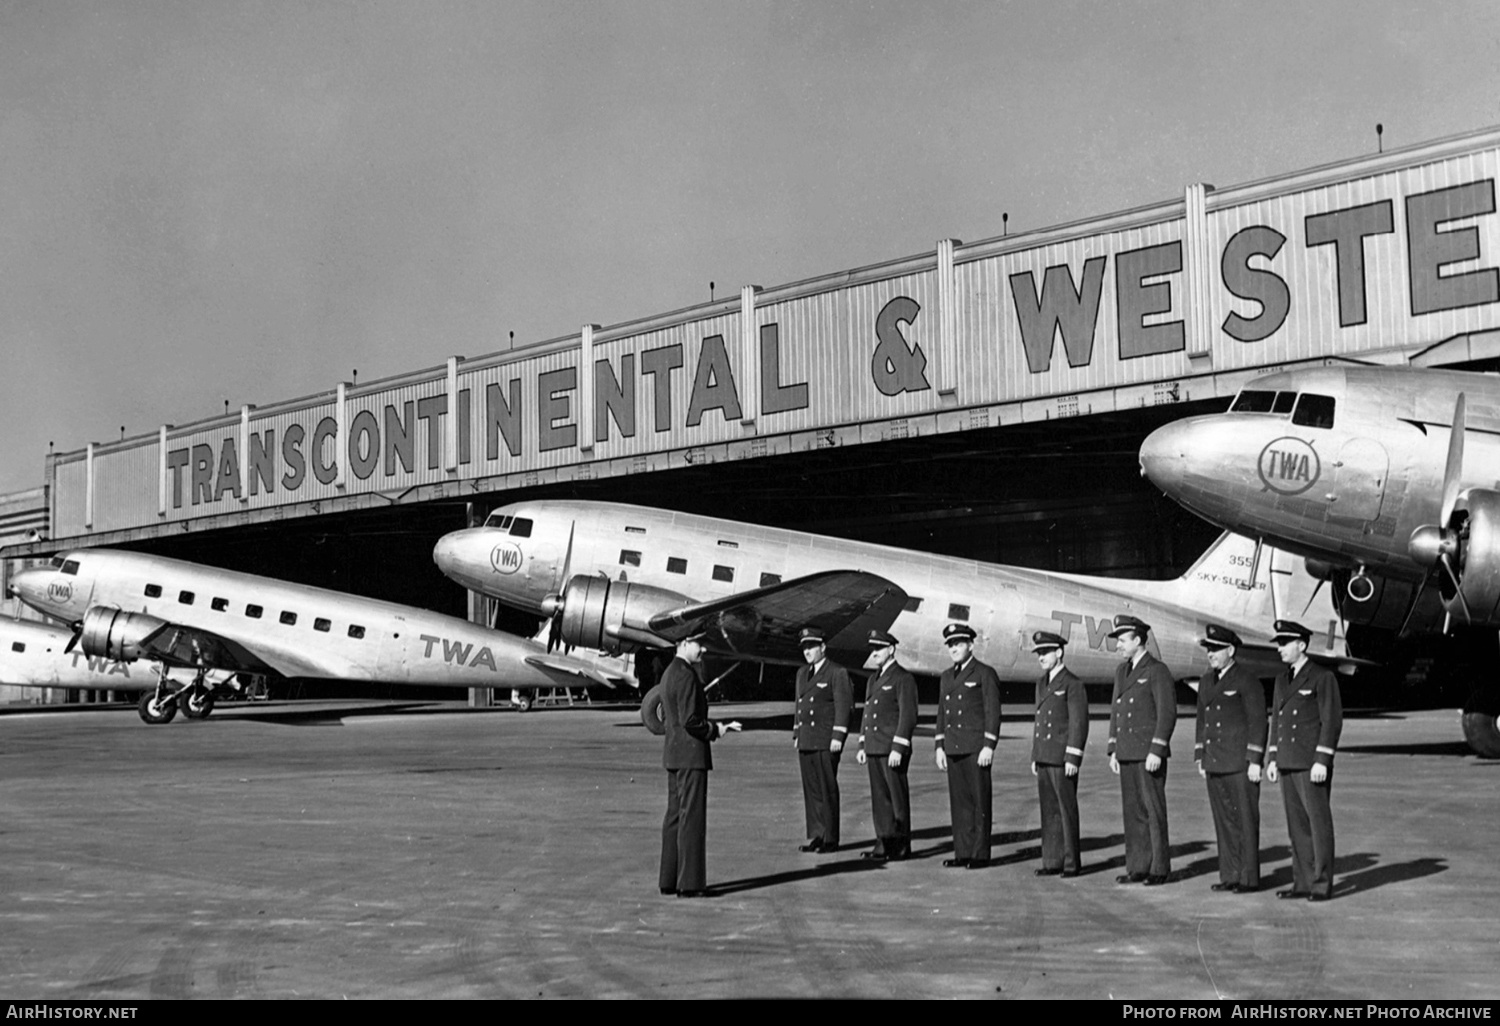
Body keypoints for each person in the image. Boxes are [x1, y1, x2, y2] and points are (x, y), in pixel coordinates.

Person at [1265, 619, 1343, 902]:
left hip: (1311, 764)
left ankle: (1321, 884)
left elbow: (1331, 721)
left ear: (1302, 644)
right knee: (1296, 827)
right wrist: (1273, 758)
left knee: (1317, 825)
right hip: (1287, 760)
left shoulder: (1322, 677)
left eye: (1285, 644)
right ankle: (1302, 882)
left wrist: (1322, 759)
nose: (1280, 649)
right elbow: (1277, 722)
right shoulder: (1281, 680)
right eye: (1279, 644)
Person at [658, 631, 741, 897]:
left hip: (674, 754)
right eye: (698, 644)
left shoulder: (669, 672)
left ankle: (668, 880)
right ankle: (690, 884)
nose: (702, 650)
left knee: (674, 817)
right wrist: (716, 729)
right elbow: (691, 721)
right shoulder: (686, 675)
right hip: (691, 756)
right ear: (683, 643)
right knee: (691, 819)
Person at [1193, 623, 1267, 894]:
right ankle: (1230, 875)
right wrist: (1200, 754)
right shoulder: (1205, 681)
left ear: (1231, 650)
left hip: (1239, 765)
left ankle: (1248, 878)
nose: (1210, 654)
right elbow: (1202, 719)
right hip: (1215, 762)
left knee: (1245, 821)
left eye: (1215, 649)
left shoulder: (1246, 680)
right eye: (1208, 649)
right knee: (1223, 821)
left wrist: (1255, 760)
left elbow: (1258, 722)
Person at [1106, 614, 1176, 886]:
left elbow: (1167, 713)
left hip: (1148, 755)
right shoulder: (1121, 672)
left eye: (1122, 640)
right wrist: (1113, 748)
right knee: (1133, 812)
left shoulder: (1156, 670)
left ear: (1138, 639)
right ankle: (1138, 866)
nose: (1118, 646)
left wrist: (1157, 750)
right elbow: (1116, 710)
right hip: (1126, 753)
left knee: (1153, 811)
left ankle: (1159, 868)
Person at [934, 622, 1001, 869]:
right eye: (950, 644)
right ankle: (962, 851)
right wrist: (939, 745)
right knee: (960, 803)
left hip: (975, 748)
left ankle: (980, 854)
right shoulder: (946, 676)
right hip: (953, 747)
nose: (954, 648)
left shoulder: (984, 673)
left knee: (979, 802)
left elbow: (992, 711)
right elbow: (942, 713)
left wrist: (989, 745)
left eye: (958, 644)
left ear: (970, 645)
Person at [856, 628, 919, 862]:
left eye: (879, 648)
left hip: (891, 748)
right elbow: (867, 713)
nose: (874, 653)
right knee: (880, 799)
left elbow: (908, 716)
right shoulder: (873, 679)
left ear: (891, 650)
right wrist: (862, 744)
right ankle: (883, 843)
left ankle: (901, 846)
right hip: (874, 746)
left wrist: (898, 747)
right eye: (872, 649)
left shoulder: (903, 678)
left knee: (897, 798)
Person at [1030, 630, 1088, 878]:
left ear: (1059, 652)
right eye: (1039, 653)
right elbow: (1039, 721)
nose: (1041, 657)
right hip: (1045, 756)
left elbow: (1078, 722)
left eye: (1045, 652)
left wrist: (1073, 756)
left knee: (1065, 811)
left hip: (1062, 758)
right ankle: (1051, 861)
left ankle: (1071, 863)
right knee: (1049, 811)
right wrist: (1035, 755)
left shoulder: (1072, 684)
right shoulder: (1041, 683)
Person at [793, 626, 852, 853]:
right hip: (807, 739)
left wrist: (838, 735)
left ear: (823, 647)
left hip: (826, 739)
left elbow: (844, 706)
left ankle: (830, 838)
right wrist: (797, 732)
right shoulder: (802, 674)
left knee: (827, 789)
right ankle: (817, 834)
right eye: (805, 647)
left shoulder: (836, 672)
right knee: (812, 790)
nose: (808, 651)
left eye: (812, 646)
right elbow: (799, 704)